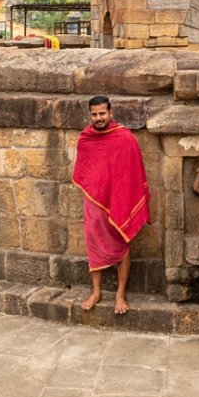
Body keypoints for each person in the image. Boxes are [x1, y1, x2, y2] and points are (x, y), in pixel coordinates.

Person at [71, 96, 150, 314]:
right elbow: (85, 171)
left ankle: (120, 294)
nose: (98, 118)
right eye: (94, 114)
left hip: (118, 200)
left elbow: (133, 172)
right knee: (93, 242)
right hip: (94, 201)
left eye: (102, 114)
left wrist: (123, 197)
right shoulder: (85, 138)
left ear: (111, 113)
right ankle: (96, 292)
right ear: (90, 115)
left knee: (121, 242)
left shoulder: (125, 138)